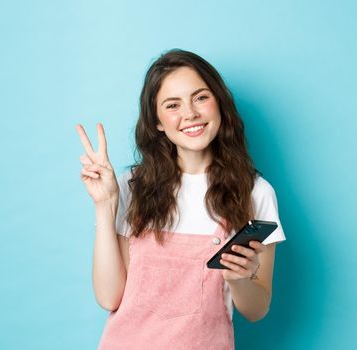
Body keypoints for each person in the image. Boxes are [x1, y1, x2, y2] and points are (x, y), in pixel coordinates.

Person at [76, 49, 286, 349]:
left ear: (220, 104)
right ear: (158, 122)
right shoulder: (130, 187)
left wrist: (239, 278)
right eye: (172, 105)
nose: (190, 114)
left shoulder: (256, 193)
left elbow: (256, 309)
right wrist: (104, 206)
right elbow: (109, 297)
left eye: (200, 97)